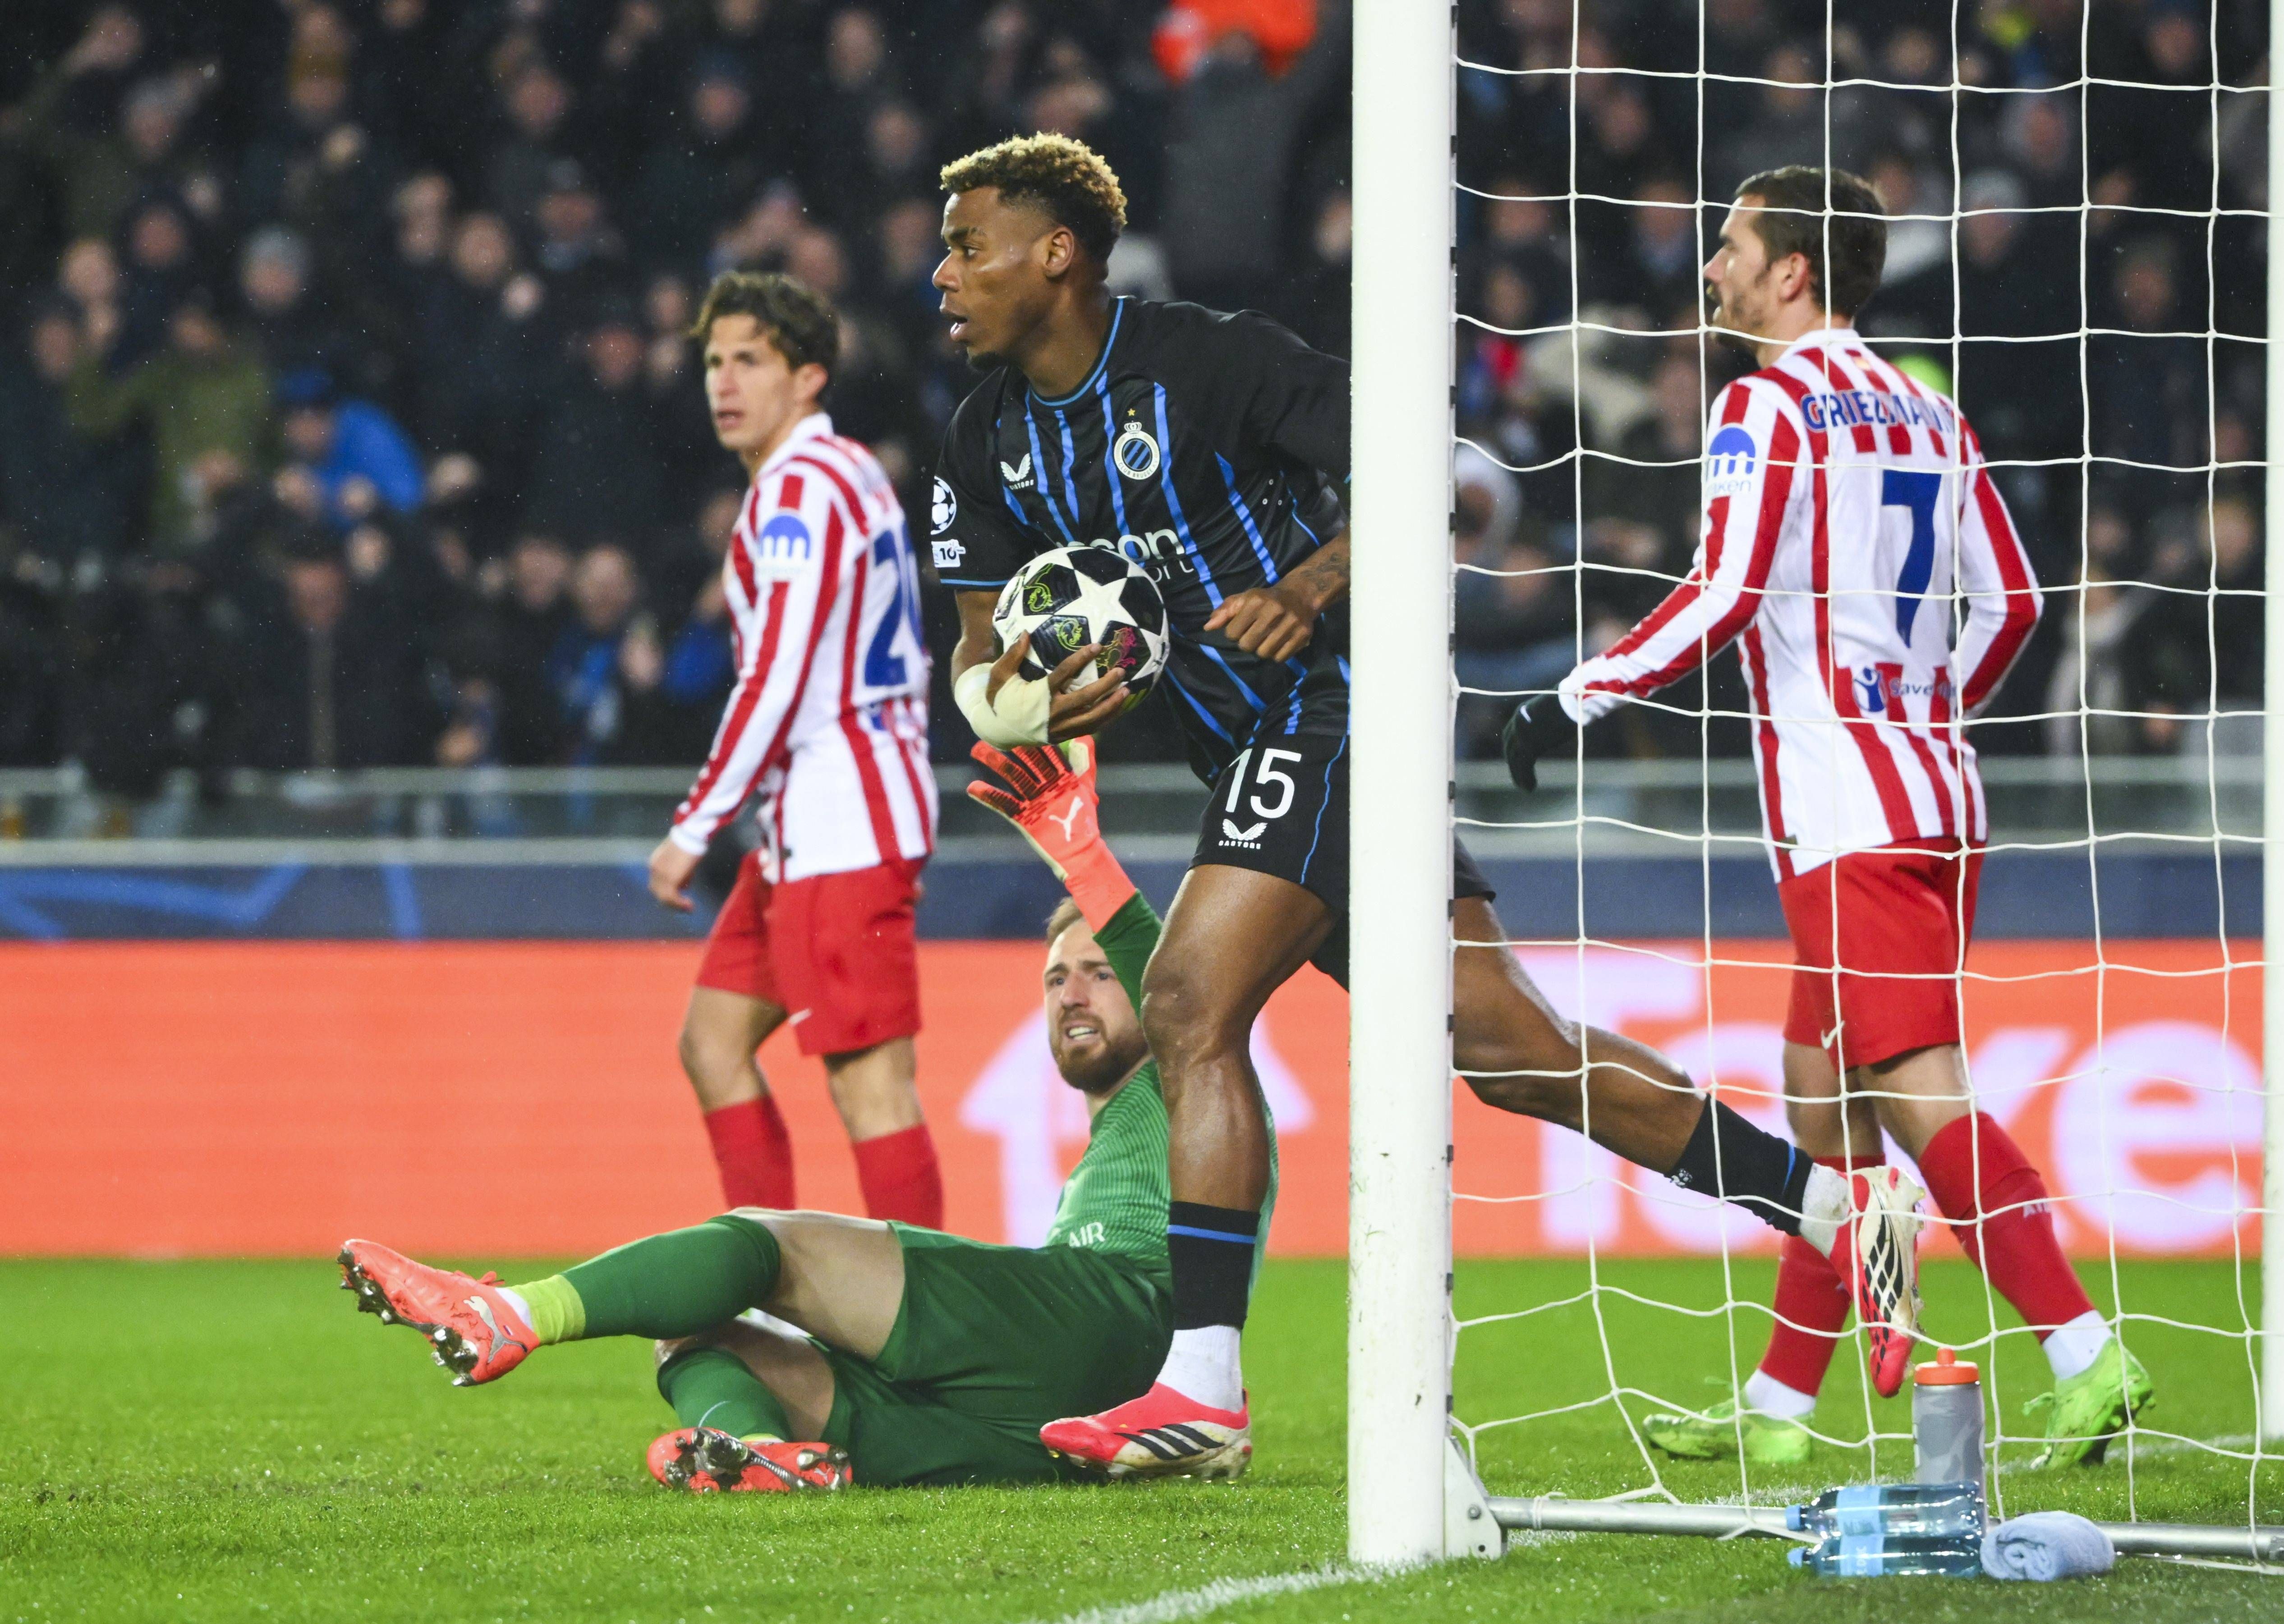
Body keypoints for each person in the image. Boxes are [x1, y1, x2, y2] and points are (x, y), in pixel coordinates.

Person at [927, 134, 1921, 1480]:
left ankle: (1202, 1386)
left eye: (968, 245)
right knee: (1514, 1050)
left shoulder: (1207, 361)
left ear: (1056, 254)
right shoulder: (979, 440)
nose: (943, 274)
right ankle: (1835, 1205)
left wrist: (1312, 583)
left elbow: (1438, 476)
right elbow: (978, 656)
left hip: (1331, 710)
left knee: (1186, 1003)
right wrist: (1024, 702)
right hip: (1243, 756)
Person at [1504, 165, 2153, 1469]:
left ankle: (2085, 1349)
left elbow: (1726, 588)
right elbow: (2015, 601)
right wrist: (1922, 708)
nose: (1712, 268)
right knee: (1824, 1104)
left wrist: (1573, 694)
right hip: (1937, 793)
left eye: (1731, 246)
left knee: (1917, 1091)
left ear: (1792, 270)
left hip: (1848, 812)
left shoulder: (1764, 402)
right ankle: (1783, 1404)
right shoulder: (1928, 403)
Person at [337, 739, 1274, 1489]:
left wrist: (1080, 854)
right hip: (1065, 1419)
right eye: (1056, 977)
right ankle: (754, 1452)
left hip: (1125, 1322)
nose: (1072, 992)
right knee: (694, 1331)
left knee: (766, 1243)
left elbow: (1172, 977)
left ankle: (509, 1312)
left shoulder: (1199, 1076)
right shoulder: (1116, 1146)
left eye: (1099, 973)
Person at [642, 271, 944, 1232]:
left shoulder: (798, 492)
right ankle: (768, 1284)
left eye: (751, 361)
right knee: (713, 1041)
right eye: (714, 362)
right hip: (809, 824)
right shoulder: (847, 472)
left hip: (843, 812)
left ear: (809, 376)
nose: (724, 382)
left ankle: (934, 1315)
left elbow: (777, 674)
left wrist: (695, 825)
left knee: (871, 1086)